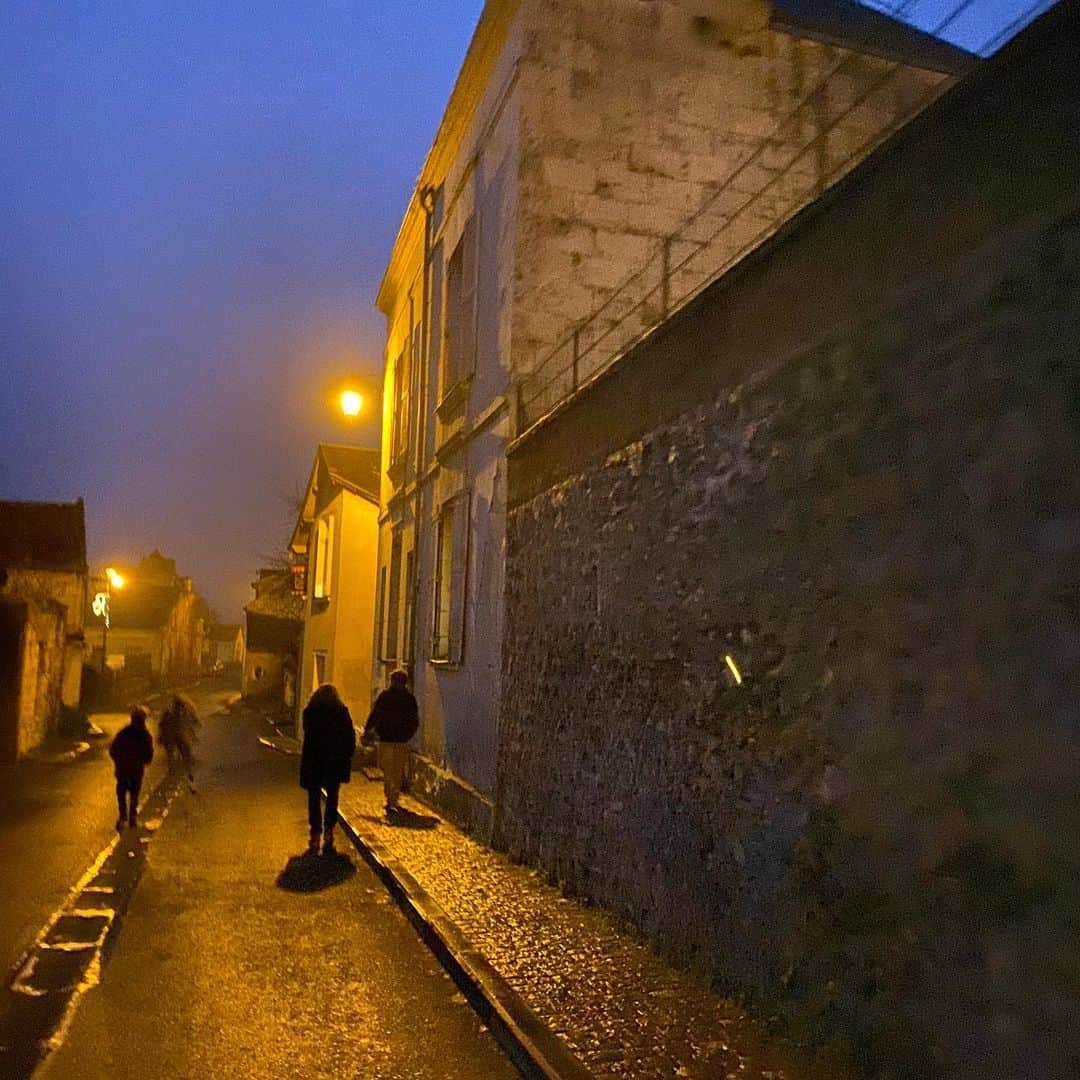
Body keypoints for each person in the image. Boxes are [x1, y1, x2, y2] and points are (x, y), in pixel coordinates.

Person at [300, 684, 356, 854]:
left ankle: (315, 833)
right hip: (334, 760)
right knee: (332, 797)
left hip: (315, 759)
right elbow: (349, 735)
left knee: (314, 798)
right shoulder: (341, 712)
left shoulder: (309, 712)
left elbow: (307, 733)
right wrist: (349, 753)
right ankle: (329, 832)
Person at [363, 670, 419, 816]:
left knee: (389, 769)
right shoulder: (408, 699)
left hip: (388, 739)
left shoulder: (386, 697)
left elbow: (375, 714)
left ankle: (391, 797)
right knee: (395, 770)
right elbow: (414, 721)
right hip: (398, 740)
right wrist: (408, 734)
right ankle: (392, 797)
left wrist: (369, 730)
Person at [109, 705, 154, 831]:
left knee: (122, 793)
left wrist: (119, 761)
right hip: (135, 770)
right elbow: (148, 754)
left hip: (123, 769)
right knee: (133, 794)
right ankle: (131, 818)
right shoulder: (145, 735)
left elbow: (113, 750)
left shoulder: (124, 733)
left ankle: (124, 816)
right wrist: (144, 761)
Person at [158, 692, 201, 791]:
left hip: (173, 738)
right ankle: (185, 775)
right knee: (186, 755)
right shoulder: (183, 711)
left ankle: (174, 772)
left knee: (176, 755)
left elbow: (162, 725)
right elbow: (191, 721)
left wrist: (161, 736)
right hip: (178, 738)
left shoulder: (170, 712)